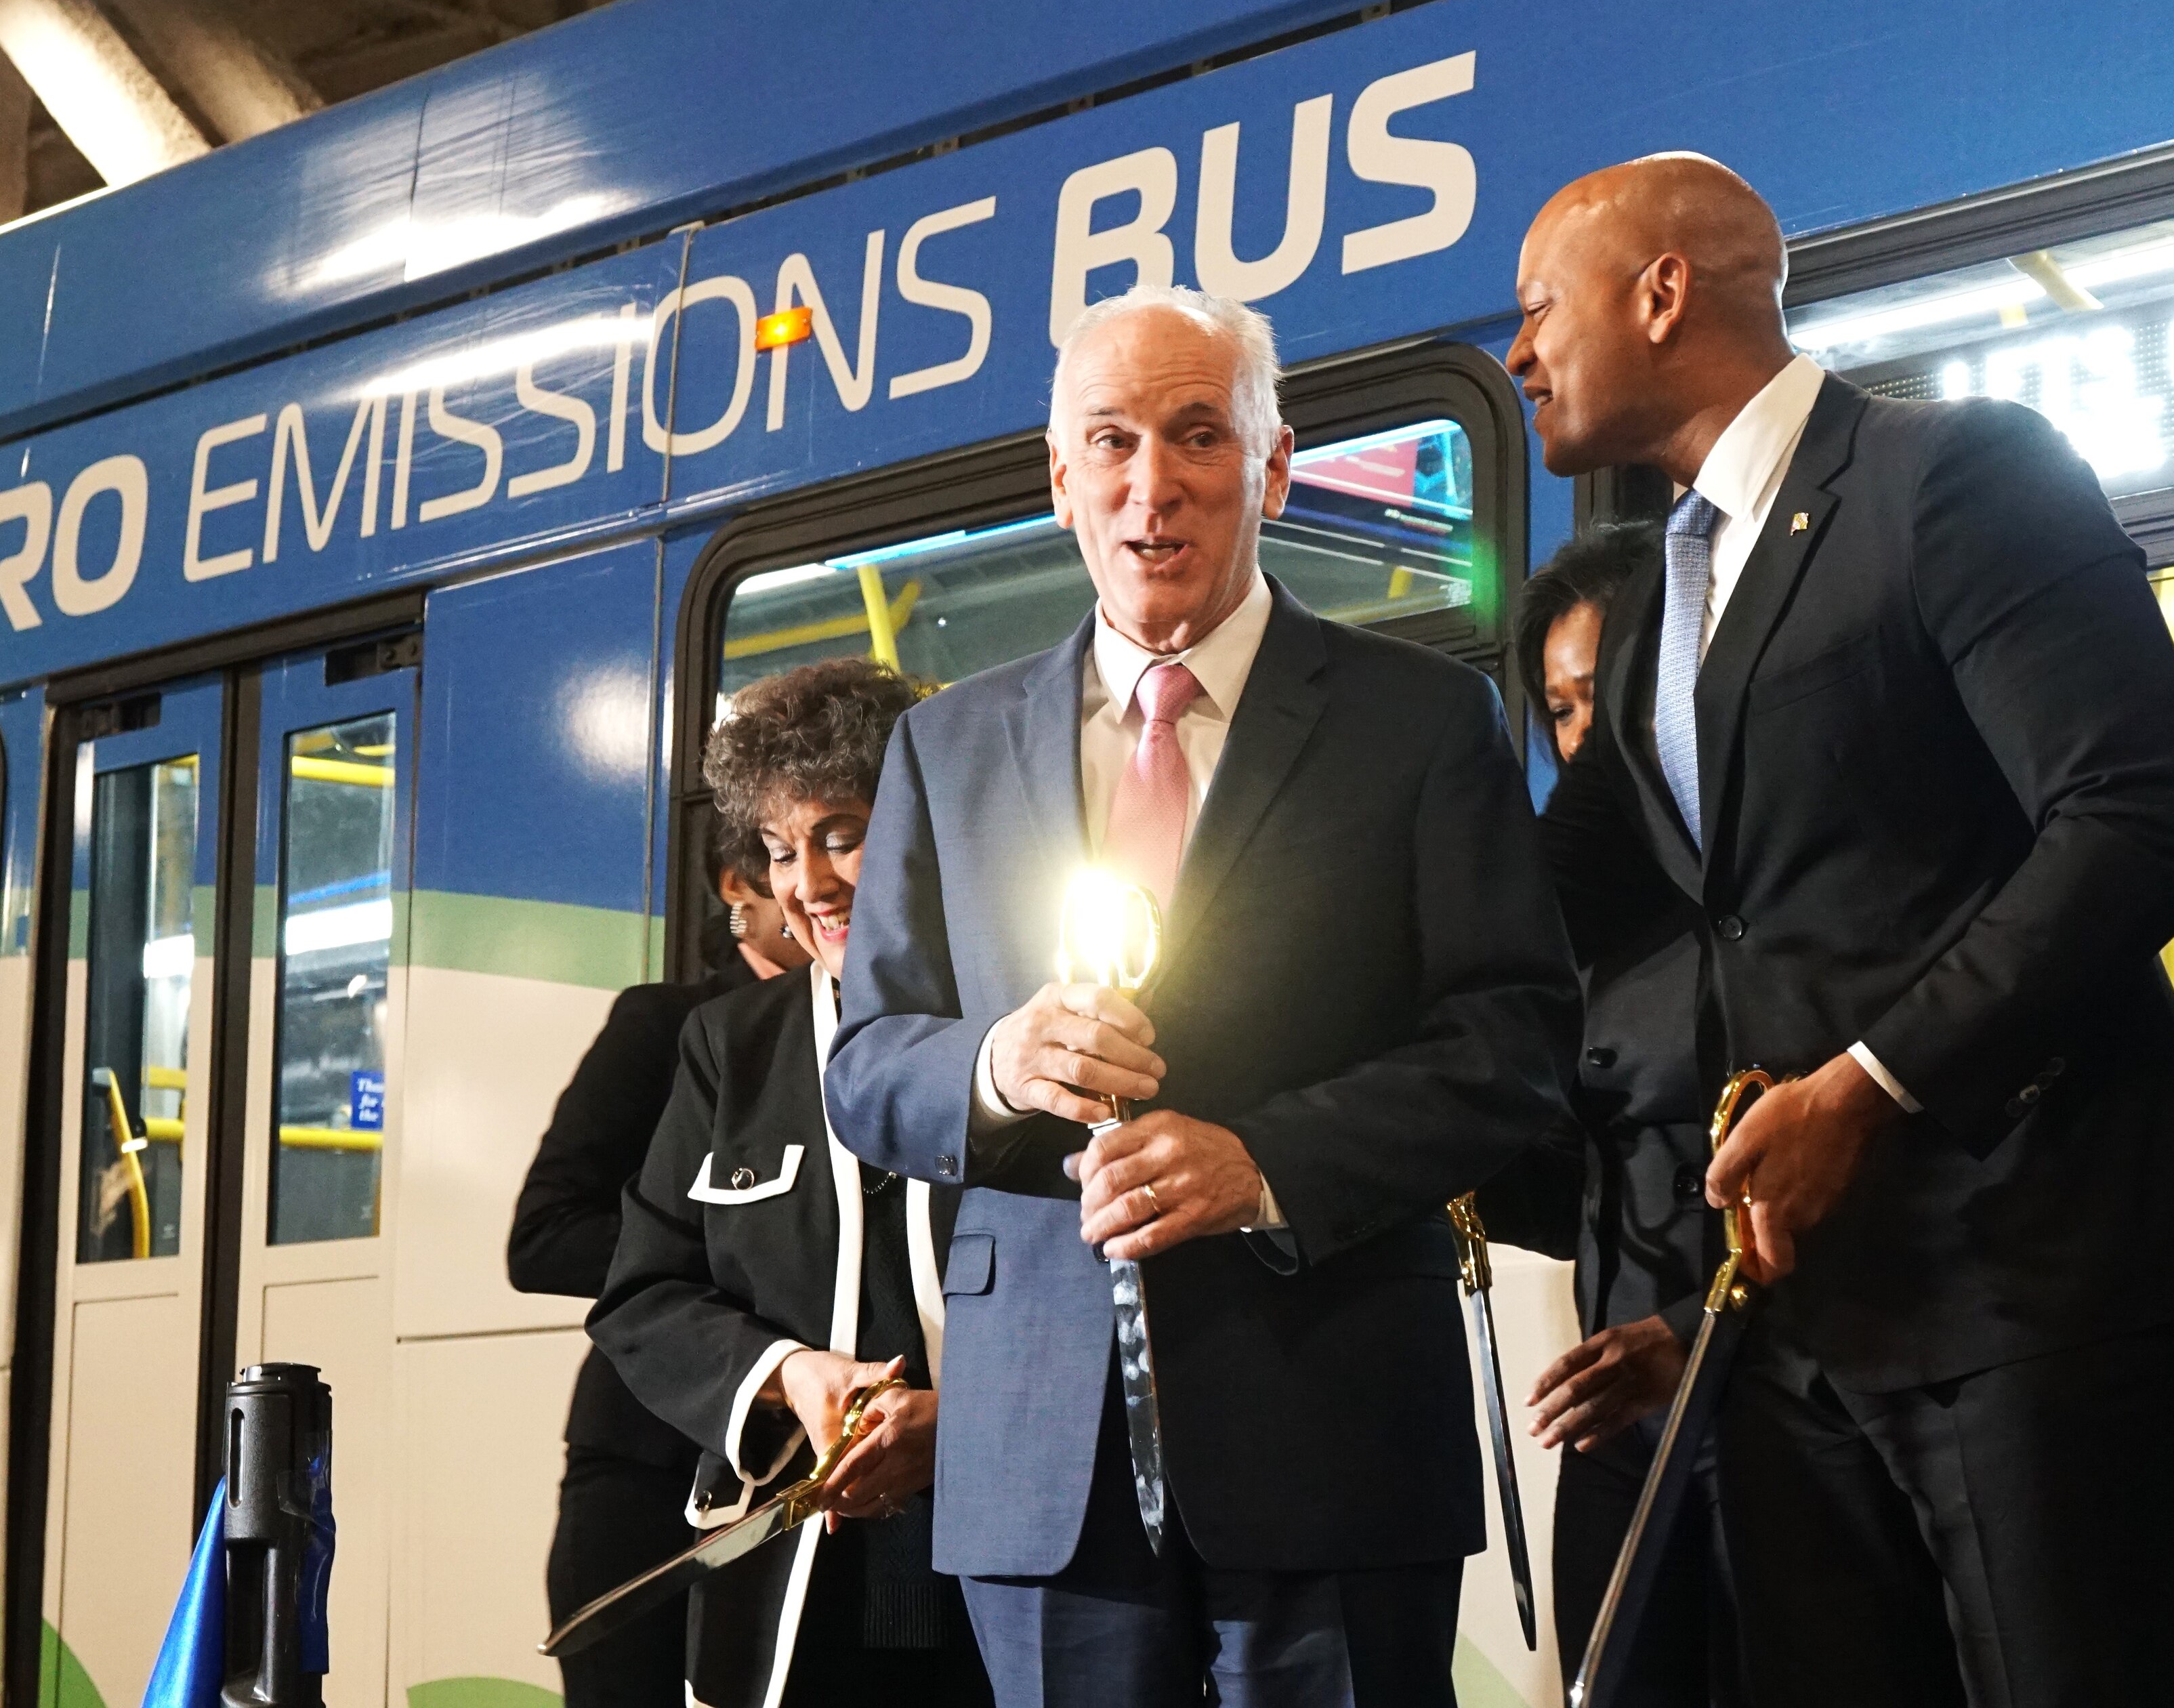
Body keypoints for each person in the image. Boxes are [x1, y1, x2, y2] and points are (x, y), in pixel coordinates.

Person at [1515, 154, 2174, 1707]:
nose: (1518, 355)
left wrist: (1867, 1083)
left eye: (1536, 312)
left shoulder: (1954, 475)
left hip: (2031, 1281)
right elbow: (1538, 904)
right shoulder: (1660, 594)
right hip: (1794, 1321)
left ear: (1662, 293)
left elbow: (2135, 821)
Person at [821, 284, 1575, 1707]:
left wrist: (1266, 1163)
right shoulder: (944, 746)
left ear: (1273, 466)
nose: (1149, 488)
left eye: (1195, 438)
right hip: (1040, 1462)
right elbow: (865, 1067)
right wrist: (997, 1064)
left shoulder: (1418, 723)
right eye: (1107, 442)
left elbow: (1514, 1042)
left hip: (1335, 1430)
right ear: (1059, 481)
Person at [587, 657, 992, 1708]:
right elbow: (644, 1296)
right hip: (797, 1579)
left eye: (841, 833)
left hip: (1018, 1549)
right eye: (778, 848)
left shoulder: (1015, 1022)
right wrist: (789, 1373)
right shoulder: (731, 1047)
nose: (807, 883)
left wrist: (967, 1418)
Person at [1476, 520, 1748, 1705]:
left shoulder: (1770, 897)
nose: (1590, 745)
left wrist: (1691, 1330)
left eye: (1616, 697)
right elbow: (1570, 1178)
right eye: (1565, 713)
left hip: (1765, 1401)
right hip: (1625, 1431)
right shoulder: (1577, 922)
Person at [512, 829, 809, 1708]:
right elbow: (541, 1235)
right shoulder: (666, 1023)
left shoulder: (881, 1032)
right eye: (788, 854)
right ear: (738, 886)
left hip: (801, 1476)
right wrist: (728, 1252)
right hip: (652, 1466)